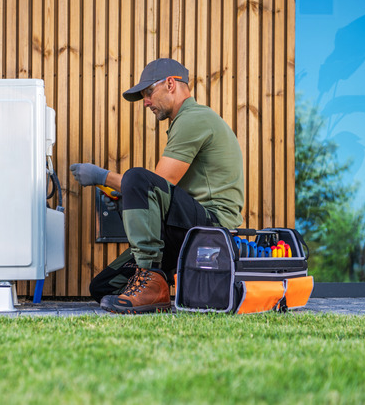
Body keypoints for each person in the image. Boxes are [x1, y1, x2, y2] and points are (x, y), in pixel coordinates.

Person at [70, 58, 244, 314]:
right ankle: (152, 283)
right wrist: (124, 198)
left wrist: (102, 176)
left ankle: (151, 278)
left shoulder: (193, 119)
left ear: (171, 84)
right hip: (186, 227)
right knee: (103, 287)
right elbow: (162, 195)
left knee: (137, 177)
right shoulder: (185, 121)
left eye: (149, 93)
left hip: (212, 228)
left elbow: (158, 183)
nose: (147, 102)